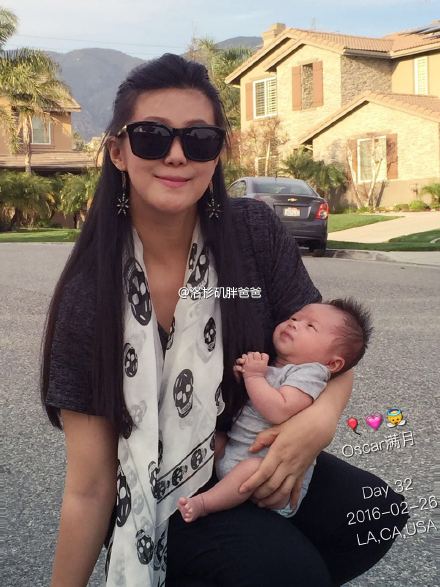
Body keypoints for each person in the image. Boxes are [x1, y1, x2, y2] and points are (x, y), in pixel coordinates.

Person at [41, 54, 408, 587]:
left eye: (199, 139)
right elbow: (90, 487)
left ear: (218, 153)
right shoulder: (89, 296)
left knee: (373, 514)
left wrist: (316, 423)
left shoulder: (252, 233)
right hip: (162, 496)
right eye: (151, 137)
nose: (176, 155)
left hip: (247, 451)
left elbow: (331, 350)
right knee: (286, 572)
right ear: (118, 151)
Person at [178, 299, 372, 523]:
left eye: (311, 326)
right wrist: (244, 375)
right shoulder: (277, 368)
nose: (294, 323)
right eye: (294, 317)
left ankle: (204, 504)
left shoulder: (311, 374)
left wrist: (253, 377)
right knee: (212, 441)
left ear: (332, 364)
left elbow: (279, 409)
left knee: (249, 469)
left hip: (269, 477)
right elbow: (260, 395)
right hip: (236, 450)